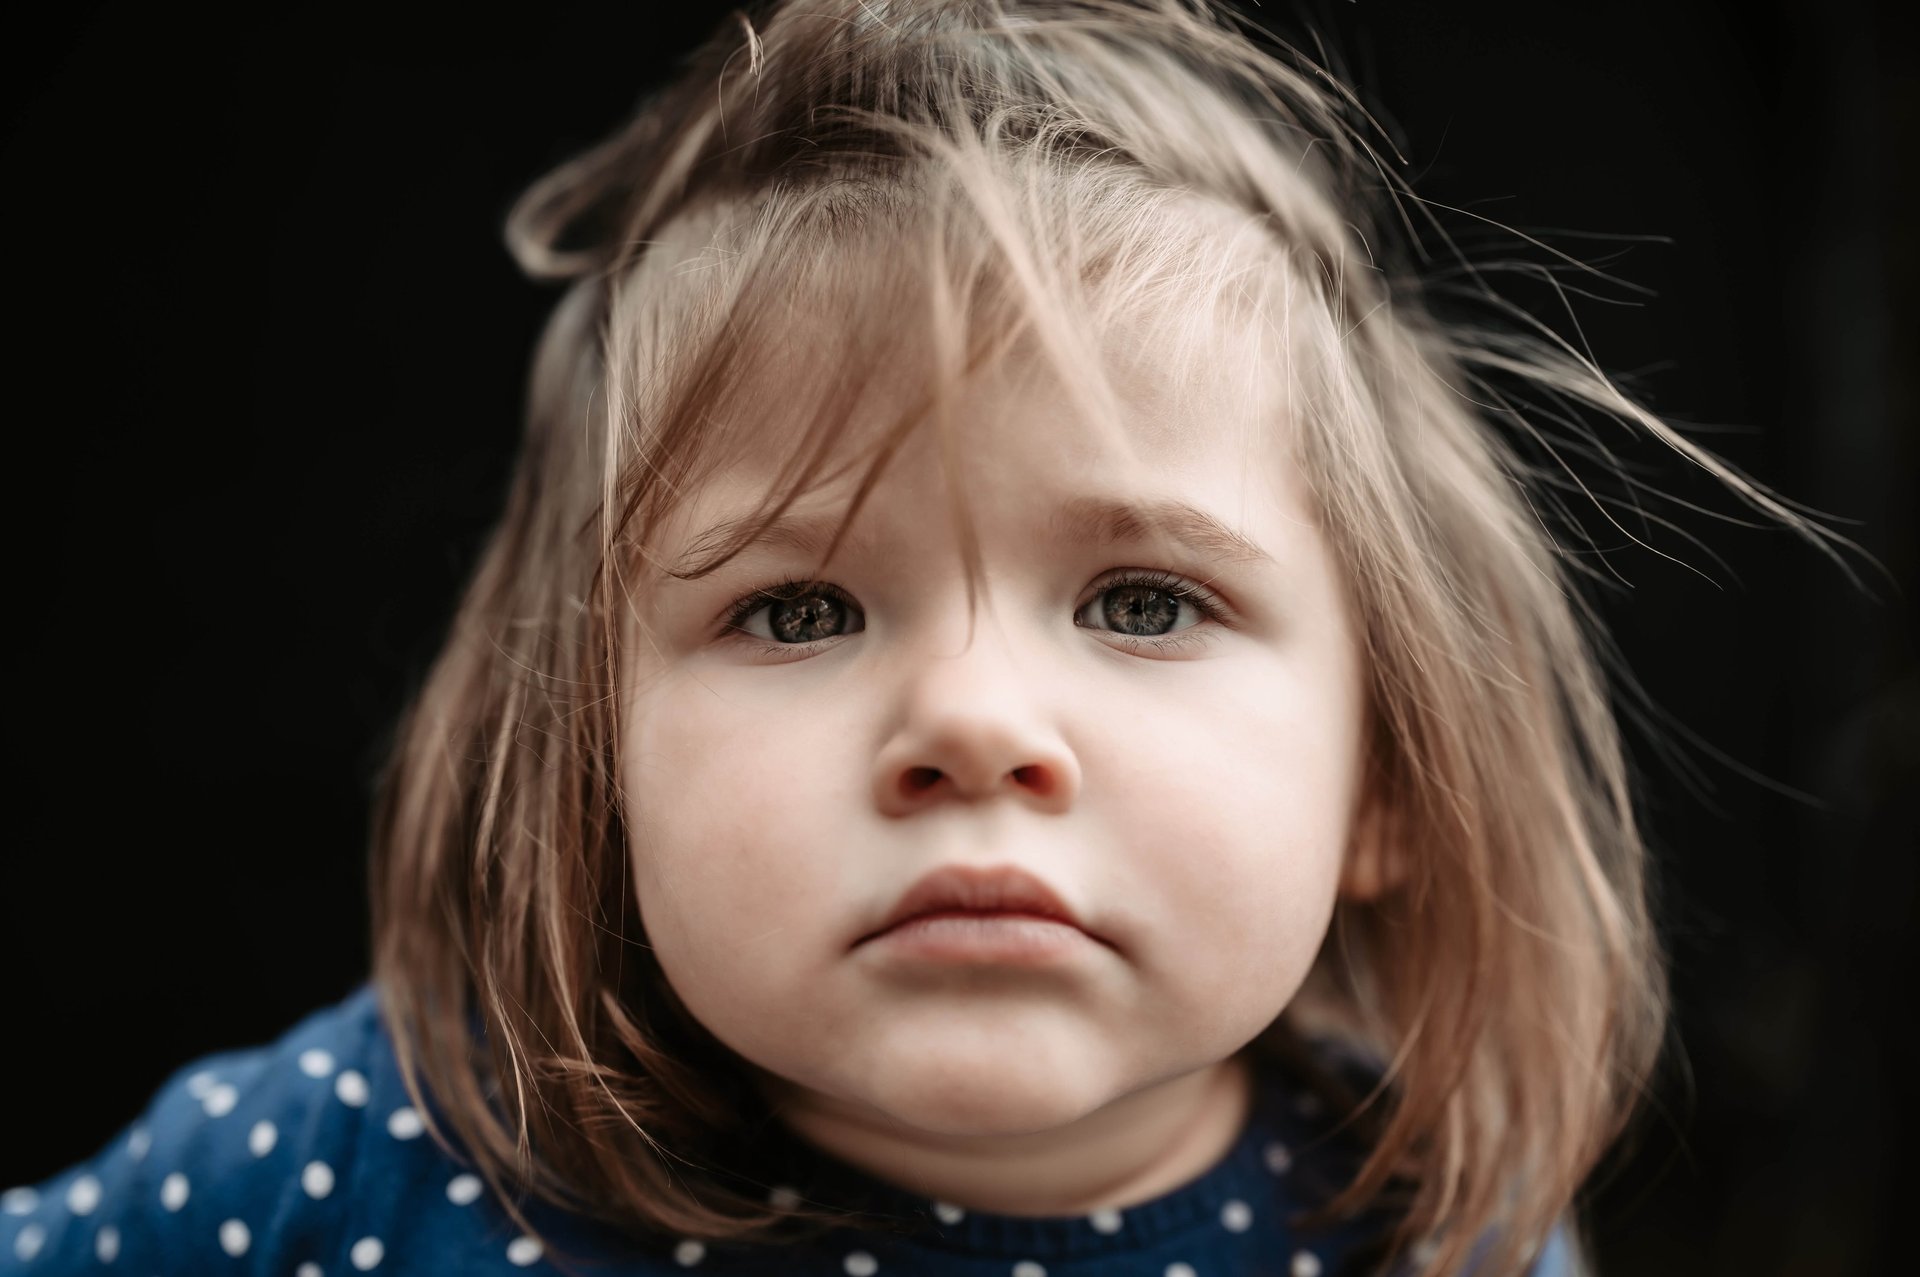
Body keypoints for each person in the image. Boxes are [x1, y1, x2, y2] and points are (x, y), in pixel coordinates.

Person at [0, 2, 1845, 1274]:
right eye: (797, 608)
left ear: (1394, 779)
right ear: (591, 764)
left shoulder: (1438, 1226)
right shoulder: (367, 1162)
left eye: (1143, 601)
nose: (968, 717)